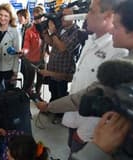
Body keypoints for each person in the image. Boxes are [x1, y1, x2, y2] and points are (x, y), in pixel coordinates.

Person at [37, 0, 129, 158]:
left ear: (108, 16)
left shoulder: (119, 52)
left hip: (92, 129)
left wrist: (50, 106)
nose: (87, 16)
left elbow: (96, 95)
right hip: (75, 117)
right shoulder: (90, 40)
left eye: (92, 11)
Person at [71, 0, 133, 159]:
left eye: (117, 26)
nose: (113, 31)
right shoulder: (91, 41)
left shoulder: (119, 62)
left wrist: (97, 149)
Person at [0, 3, 21, 90]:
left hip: (8, 68)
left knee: (9, 94)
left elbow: (17, 53)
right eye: (1, 15)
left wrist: (15, 72)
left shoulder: (14, 31)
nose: (2, 18)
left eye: (6, 16)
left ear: (10, 17)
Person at [21, 5, 45, 102]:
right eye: (35, 17)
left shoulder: (47, 29)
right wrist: (24, 51)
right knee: (29, 82)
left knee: (40, 80)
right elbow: (26, 45)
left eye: (40, 17)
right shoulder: (29, 31)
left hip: (43, 59)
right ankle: (24, 99)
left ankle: (37, 95)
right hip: (31, 60)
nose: (38, 20)